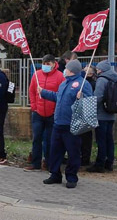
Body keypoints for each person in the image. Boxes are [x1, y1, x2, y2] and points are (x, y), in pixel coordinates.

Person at [39, 59, 94, 189]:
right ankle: (55, 174)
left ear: (71, 70)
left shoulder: (82, 84)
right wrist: (43, 92)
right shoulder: (64, 83)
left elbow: (90, 101)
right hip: (58, 123)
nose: (64, 70)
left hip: (72, 124)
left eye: (67, 68)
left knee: (73, 152)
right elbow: (58, 96)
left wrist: (83, 97)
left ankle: (71, 177)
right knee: (55, 151)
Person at [25, 54, 65, 171]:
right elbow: (32, 91)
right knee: (37, 138)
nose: (45, 66)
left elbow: (61, 95)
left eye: (48, 64)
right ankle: (35, 163)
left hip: (52, 114)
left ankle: (48, 162)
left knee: (49, 140)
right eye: (44, 64)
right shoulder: (37, 75)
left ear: (54, 64)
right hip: (38, 113)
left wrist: (56, 109)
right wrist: (34, 106)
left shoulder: (60, 76)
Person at [82, 65, 100, 169]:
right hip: (85, 113)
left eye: (85, 70)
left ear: (90, 73)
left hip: (87, 113)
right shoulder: (87, 82)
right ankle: (84, 157)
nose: (83, 71)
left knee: (86, 138)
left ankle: (85, 158)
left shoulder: (90, 84)